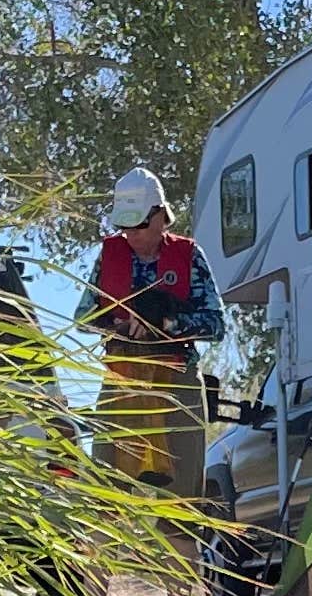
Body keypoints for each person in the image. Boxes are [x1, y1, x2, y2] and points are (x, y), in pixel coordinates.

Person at [81, 167, 222, 492]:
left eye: (141, 224)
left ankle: (179, 540)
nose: (133, 234)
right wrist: (115, 325)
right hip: (121, 380)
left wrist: (167, 325)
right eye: (125, 226)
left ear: (161, 215)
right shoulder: (109, 257)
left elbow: (216, 325)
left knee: (181, 503)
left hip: (176, 382)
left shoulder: (190, 256)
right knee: (107, 496)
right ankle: (108, 542)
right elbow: (83, 316)